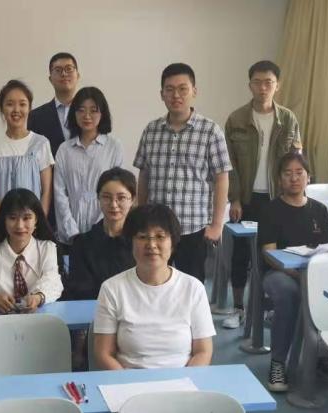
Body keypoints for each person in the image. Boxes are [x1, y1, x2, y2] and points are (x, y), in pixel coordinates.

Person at [222, 60, 303, 329]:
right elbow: (229, 164)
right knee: (241, 255)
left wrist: (293, 196)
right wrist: (234, 198)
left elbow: (296, 159)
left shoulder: (288, 119)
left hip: (277, 199)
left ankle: (268, 307)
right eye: (257, 82)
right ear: (250, 85)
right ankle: (238, 308)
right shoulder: (236, 119)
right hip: (246, 199)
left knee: (274, 254)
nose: (263, 87)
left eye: (268, 82)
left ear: (277, 86)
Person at [258, 152, 328, 392]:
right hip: (279, 273)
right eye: (288, 173)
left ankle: (325, 355)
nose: (294, 178)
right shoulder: (270, 210)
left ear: (309, 177)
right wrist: (299, 276)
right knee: (289, 293)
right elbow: (269, 253)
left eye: (299, 173)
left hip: (314, 273)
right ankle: (278, 362)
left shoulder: (319, 210)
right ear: (279, 179)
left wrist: (314, 276)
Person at [134, 63, 231, 282]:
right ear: (162, 94)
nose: (176, 95)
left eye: (182, 89)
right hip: (157, 230)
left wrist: (217, 225)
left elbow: (221, 178)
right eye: (169, 89)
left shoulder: (210, 131)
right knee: (155, 283)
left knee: (191, 285)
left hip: (193, 228)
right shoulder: (151, 130)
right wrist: (141, 215)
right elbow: (144, 175)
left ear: (194, 91)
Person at [91, 204, 216, 370]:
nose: (151, 244)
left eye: (160, 236)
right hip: (128, 380)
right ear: (131, 242)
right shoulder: (112, 289)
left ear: (172, 243)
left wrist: (185, 382)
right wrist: (127, 382)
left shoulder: (193, 288)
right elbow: (103, 353)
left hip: (182, 381)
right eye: (142, 237)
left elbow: (203, 352)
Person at [0, 80, 55, 244]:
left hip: (29, 229)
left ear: (29, 108)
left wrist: (38, 223)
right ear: (2, 108)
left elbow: (46, 191)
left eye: (22, 104)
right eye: (10, 104)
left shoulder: (41, 143)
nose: (16, 110)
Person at [0, 188, 62, 313]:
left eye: (27, 218)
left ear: (36, 220)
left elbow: (53, 283)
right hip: (0, 321)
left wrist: (38, 297)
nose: (19, 225)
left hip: (39, 319)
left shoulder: (47, 249)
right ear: (4, 220)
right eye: (12, 218)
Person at [53, 86, 123, 245]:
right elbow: (59, 193)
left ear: (102, 113)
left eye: (93, 110)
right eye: (81, 110)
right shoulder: (64, 149)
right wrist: (72, 231)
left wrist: (97, 231)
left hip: (104, 233)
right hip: (70, 234)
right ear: (74, 113)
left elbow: (115, 191)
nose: (87, 116)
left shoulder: (114, 147)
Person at [65, 167, 136, 300]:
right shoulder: (82, 243)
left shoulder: (140, 241)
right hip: (92, 309)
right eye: (107, 197)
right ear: (98, 198)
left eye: (121, 198)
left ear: (132, 200)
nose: (113, 204)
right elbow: (79, 289)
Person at [28, 51, 80, 157]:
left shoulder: (91, 114)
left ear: (77, 75)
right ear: (50, 79)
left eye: (69, 69)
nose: (64, 74)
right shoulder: (35, 117)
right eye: (58, 70)